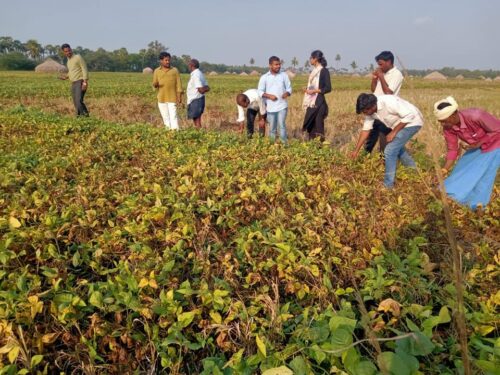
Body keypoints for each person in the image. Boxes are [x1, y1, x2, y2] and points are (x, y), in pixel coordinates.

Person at [434, 96, 500, 209]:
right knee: (461, 167)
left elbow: (497, 129)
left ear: (454, 115)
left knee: (478, 171)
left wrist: (478, 143)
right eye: (441, 122)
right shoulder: (448, 128)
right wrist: (444, 169)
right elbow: (452, 149)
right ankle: (471, 204)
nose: (443, 124)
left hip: (496, 144)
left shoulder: (476, 115)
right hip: (477, 147)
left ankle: (452, 194)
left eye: (444, 121)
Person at [352, 93, 423, 188]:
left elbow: (410, 115)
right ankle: (416, 174)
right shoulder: (370, 112)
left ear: (372, 107)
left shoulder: (389, 102)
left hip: (413, 122)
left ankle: (388, 186)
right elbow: (365, 130)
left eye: (364, 111)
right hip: (400, 124)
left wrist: (393, 132)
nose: (364, 114)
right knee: (397, 149)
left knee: (390, 150)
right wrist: (356, 151)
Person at [365, 51, 405, 153]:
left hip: (387, 111)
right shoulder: (383, 73)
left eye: (381, 64)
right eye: (378, 64)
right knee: (371, 137)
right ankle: (366, 157)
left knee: (384, 138)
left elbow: (388, 92)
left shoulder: (397, 74)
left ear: (389, 62)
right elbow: (374, 90)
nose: (379, 66)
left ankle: (384, 161)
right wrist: (374, 79)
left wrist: (381, 77)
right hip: (376, 109)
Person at [258, 56, 292, 143]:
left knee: (282, 126)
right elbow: (260, 92)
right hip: (270, 107)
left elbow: (289, 88)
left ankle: (284, 144)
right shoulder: (264, 77)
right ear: (270, 65)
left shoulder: (284, 75)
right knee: (272, 128)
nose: (278, 66)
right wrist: (270, 96)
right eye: (276, 64)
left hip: (282, 106)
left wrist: (287, 93)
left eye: (279, 64)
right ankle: (271, 144)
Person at [302, 50, 331, 141]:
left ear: (316, 59)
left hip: (319, 102)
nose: (310, 60)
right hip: (311, 102)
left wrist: (314, 91)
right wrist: (308, 90)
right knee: (311, 125)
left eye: (311, 58)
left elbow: (328, 88)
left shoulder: (324, 71)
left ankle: (320, 147)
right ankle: (312, 147)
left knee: (318, 126)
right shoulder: (314, 71)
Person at [152, 52, 182, 130]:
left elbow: (179, 85)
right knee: (165, 118)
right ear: (161, 61)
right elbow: (154, 84)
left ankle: (175, 133)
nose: (168, 62)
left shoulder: (175, 70)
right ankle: (168, 134)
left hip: (173, 98)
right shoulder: (156, 71)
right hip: (161, 98)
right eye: (166, 60)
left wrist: (179, 97)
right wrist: (155, 84)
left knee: (173, 117)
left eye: (169, 60)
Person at [59, 44, 89, 117]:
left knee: (79, 101)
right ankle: (79, 117)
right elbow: (71, 71)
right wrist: (66, 77)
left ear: (71, 49)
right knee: (76, 102)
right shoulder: (68, 61)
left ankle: (86, 117)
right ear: (64, 52)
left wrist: (85, 82)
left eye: (69, 50)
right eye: (66, 51)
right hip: (73, 83)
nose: (68, 52)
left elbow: (84, 68)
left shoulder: (78, 57)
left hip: (80, 81)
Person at [186, 59, 209, 128]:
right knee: (196, 119)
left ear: (192, 65)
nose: (188, 66)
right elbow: (207, 87)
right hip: (198, 99)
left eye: (189, 65)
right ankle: (199, 133)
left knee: (197, 120)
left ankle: (199, 135)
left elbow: (201, 90)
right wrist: (204, 89)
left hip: (196, 100)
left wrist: (202, 89)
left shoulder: (196, 75)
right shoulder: (199, 73)